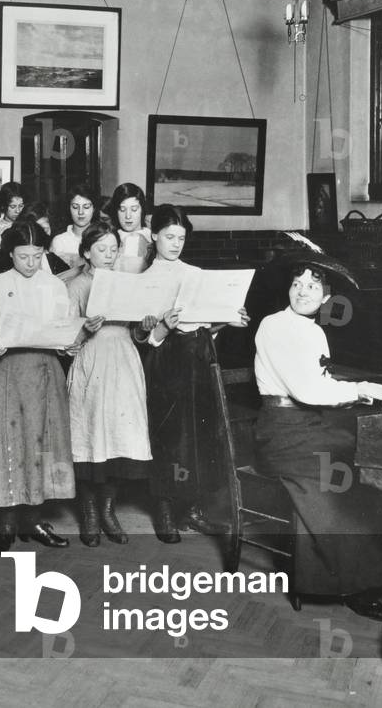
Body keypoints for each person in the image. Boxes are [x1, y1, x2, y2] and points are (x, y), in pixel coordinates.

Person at [253, 257, 382, 621]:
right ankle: (360, 581)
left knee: (353, 459)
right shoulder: (274, 325)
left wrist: (377, 389)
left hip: (303, 425)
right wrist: (365, 388)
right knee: (337, 477)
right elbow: (308, 390)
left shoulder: (312, 329)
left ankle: (351, 571)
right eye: (297, 283)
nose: (302, 290)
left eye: (313, 285)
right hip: (281, 431)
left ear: (326, 297)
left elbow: (321, 383)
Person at [138, 204, 249, 543]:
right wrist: (161, 328)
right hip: (167, 362)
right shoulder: (144, 280)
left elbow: (205, 327)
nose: (175, 244)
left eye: (181, 238)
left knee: (202, 433)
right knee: (171, 434)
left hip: (200, 358)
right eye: (169, 237)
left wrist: (226, 320)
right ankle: (166, 509)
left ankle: (194, 509)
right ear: (154, 234)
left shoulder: (195, 273)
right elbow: (144, 340)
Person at [0, 221, 76, 553]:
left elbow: (64, 326)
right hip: (9, 370)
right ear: (11, 254)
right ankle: (6, 523)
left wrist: (69, 343)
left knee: (43, 441)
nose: (31, 263)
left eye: (37, 256)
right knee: (10, 441)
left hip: (45, 370)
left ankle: (34, 518)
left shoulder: (54, 285)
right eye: (24, 256)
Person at [66, 220, 152, 546]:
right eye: (101, 249)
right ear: (86, 252)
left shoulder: (125, 282)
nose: (107, 255)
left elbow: (137, 333)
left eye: (113, 249)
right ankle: (88, 512)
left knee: (119, 437)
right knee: (90, 436)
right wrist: (85, 329)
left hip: (124, 360)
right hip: (91, 361)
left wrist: (144, 327)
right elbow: (64, 338)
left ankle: (107, 509)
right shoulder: (75, 286)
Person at [107, 183, 152, 274]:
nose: (128, 216)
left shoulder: (152, 239)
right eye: (122, 210)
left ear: (142, 210)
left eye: (134, 209)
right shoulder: (110, 238)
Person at [51, 184, 97, 267]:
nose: (80, 212)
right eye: (75, 207)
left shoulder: (102, 238)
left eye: (86, 207)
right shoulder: (60, 241)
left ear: (94, 209)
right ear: (69, 208)